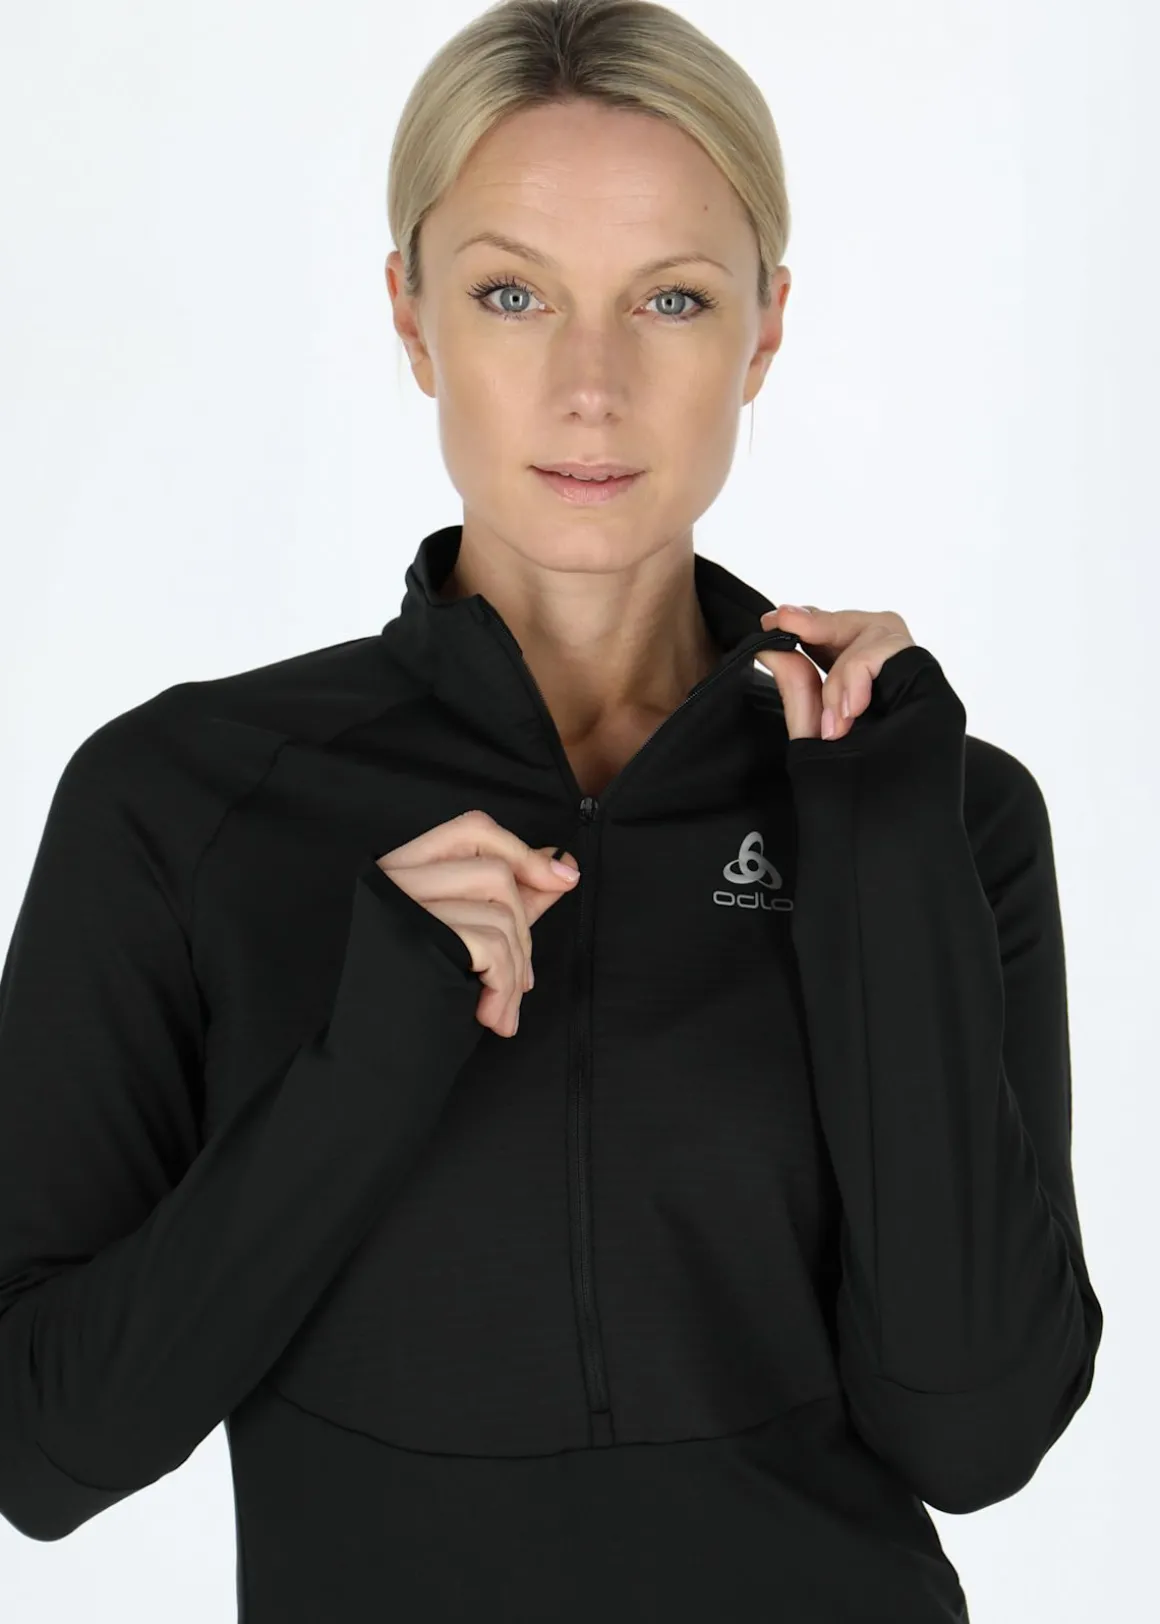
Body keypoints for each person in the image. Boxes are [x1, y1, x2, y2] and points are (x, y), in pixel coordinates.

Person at [0, 2, 1101, 1619]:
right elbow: (44, 1450)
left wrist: (876, 858)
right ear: (412, 314)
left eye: (673, 298)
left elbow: (977, 1429)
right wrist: (365, 1062)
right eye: (512, 294)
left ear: (766, 333)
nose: (592, 387)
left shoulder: (935, 813)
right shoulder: (183, 800)